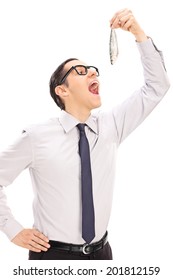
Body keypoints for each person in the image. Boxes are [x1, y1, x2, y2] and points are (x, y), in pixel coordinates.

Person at [0, 8, 170, 260]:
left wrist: (138, 33)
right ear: (62, 91)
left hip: (102, 253)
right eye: (80, 71)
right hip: (53, 257)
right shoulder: (36, 137)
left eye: (92, 70)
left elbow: (157, 86)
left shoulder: (111, 125)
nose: (93, 72)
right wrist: (11, 229)